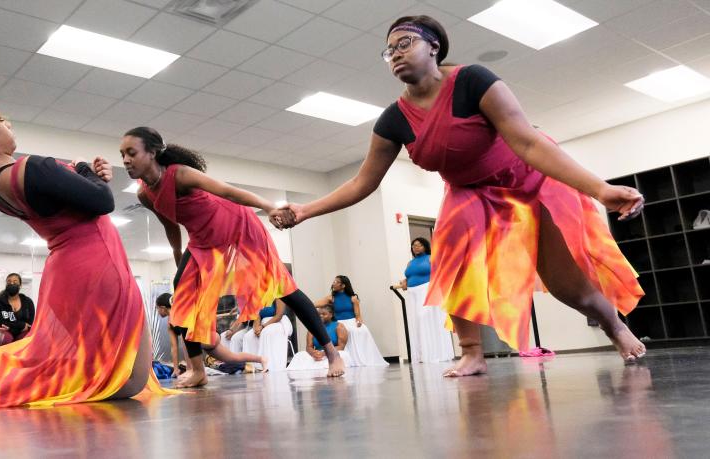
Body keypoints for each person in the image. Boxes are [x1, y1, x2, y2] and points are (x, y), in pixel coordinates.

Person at [272, 15, 646, 377]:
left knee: (567, 285)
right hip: (469, 192)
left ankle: (613, 325)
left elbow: (528, 143)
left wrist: (600, 189)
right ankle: (471, 353)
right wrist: (305, 210)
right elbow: (362, 183)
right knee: (454, 258)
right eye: (389, 52)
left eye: (405, 43)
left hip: (524, 179)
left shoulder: (473, 82)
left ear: (434, 46)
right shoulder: (393, 120)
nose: (396, 54)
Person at [0, 89, 173, 409]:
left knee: (95, 366)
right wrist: (84, 168)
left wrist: (89, 179)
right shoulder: (33, 168)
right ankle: (38, 390)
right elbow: (103, 202)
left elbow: (74, 201)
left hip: (65, 271)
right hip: (97, 262)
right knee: (131, 380)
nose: (8, 123)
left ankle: (46, 391)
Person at [121, 126, 345, 387]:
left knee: (285, 289)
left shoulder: (180, 174)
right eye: (122, 154)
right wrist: (178, 258)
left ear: (152, 152)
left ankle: (332, 354)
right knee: (181, 298)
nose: (125, 160)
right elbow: (170, 224)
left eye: (131, 153)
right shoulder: (144, 193)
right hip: (202, 241)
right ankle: (198, 370)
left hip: (238, 226)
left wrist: (268, 206)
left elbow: (227, 191)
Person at [155, 292, 266, 378]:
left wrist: (190, 370)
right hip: (207, 340)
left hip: (207, 337)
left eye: (157, 308)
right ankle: (261, 359)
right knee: (232, 358)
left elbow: (186, 344)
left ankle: (191, 370)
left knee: (187, 338)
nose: (157, 311)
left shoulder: (180, 314)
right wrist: (175, 369)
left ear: (162, 308)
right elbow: (173, 348)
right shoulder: (170, 323)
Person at [396, 238, 455, 363]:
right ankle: (422, 355)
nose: (416, 247)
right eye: (413, 245)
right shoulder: (410, 263)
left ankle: (434, 353)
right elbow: (409, 277)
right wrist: (404, 282)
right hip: (413, 293)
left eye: (419, 245)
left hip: (427, 290)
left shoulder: (431, 258)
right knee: (416, 322)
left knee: (424, 318)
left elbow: (440, 273)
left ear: (425, 246)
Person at [315, 275, 388, 367]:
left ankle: (362, 358)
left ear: (343, 285)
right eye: (333, 281)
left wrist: (359, 322)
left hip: (352, 321)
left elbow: (358, 316)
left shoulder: (353, 298)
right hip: (339, 323)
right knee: (343, 331)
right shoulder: (331, 298)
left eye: (336, 282)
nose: (333, 283)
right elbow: (315, 304)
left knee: (361, 330)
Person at [286, 305, 350, 371]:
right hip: (317, 354)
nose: (321, 316)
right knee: (299, 355)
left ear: (331, 315)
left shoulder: (339, 326)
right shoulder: (312, 327)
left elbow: (341, 347)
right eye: (319, 314)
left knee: (343, 355)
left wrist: (324, 353)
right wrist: (314, 353)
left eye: (324, 314)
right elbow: (309, 347)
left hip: (333, 353)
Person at [241, 299, 292, 371]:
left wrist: (263, 327)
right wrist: (256, 328)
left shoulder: (278, 294)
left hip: (279, 323)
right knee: (248, 337)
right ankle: (252, 367)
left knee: (266, 333)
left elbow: (279, 316)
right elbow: (257, 317)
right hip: (263, 324)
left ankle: (269, 366)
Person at [0, 274, 35, 348]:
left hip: (19, 333)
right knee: (6, 337)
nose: (12, 283)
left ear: (20, 285)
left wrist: (10, 327)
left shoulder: (27, 302)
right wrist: (21, 325)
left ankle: (20, 359)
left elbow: (29, 325)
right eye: (9, 282)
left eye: (15, 282)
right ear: (6, 285)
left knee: (27, 337)